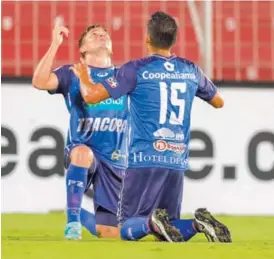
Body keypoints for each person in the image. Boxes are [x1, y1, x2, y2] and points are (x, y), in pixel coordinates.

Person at [70, 11, 231, 243]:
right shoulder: (190, 69)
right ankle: (197, 223)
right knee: (169, 230)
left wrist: (84, 76)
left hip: (143, 159)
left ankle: (151, 222)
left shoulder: (135, 69)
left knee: (126, 227)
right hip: (176, 160)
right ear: (173, 39)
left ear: (147, 39)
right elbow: (218, 101)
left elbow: (92, 96)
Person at [32, 23, 127, 240]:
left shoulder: (124, 76)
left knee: (109, 233)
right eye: (94, 35)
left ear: (112, 48)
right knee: (83, 153)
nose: (101, 35)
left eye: (105, 34)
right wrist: (55, 44)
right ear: (83, 50)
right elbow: (39, 81)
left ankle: (79, 214)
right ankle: (73, 223)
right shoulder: (71, 73)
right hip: (81, 149)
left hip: (115, 159)